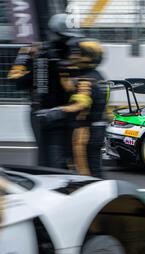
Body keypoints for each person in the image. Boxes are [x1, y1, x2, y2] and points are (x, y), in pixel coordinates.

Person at [8, 13, 80, 169]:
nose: (67, 41)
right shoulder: (32, 50)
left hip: (66, 112)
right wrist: (39, 65)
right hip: (40, 111)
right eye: (63, 37)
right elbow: (14, 79)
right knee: (46, 160)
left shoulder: (74, 51)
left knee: (68, 159)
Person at [36, 37, 109, 179]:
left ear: (88, 55)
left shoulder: (86, 80)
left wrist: (55, 112)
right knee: (94, 169)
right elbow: (72, 88)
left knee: (84, 173)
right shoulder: (98, 76)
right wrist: (63, 71)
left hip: (85, 131)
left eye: (77, 53)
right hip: (98, 128)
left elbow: (80, 104)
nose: (73, 56)